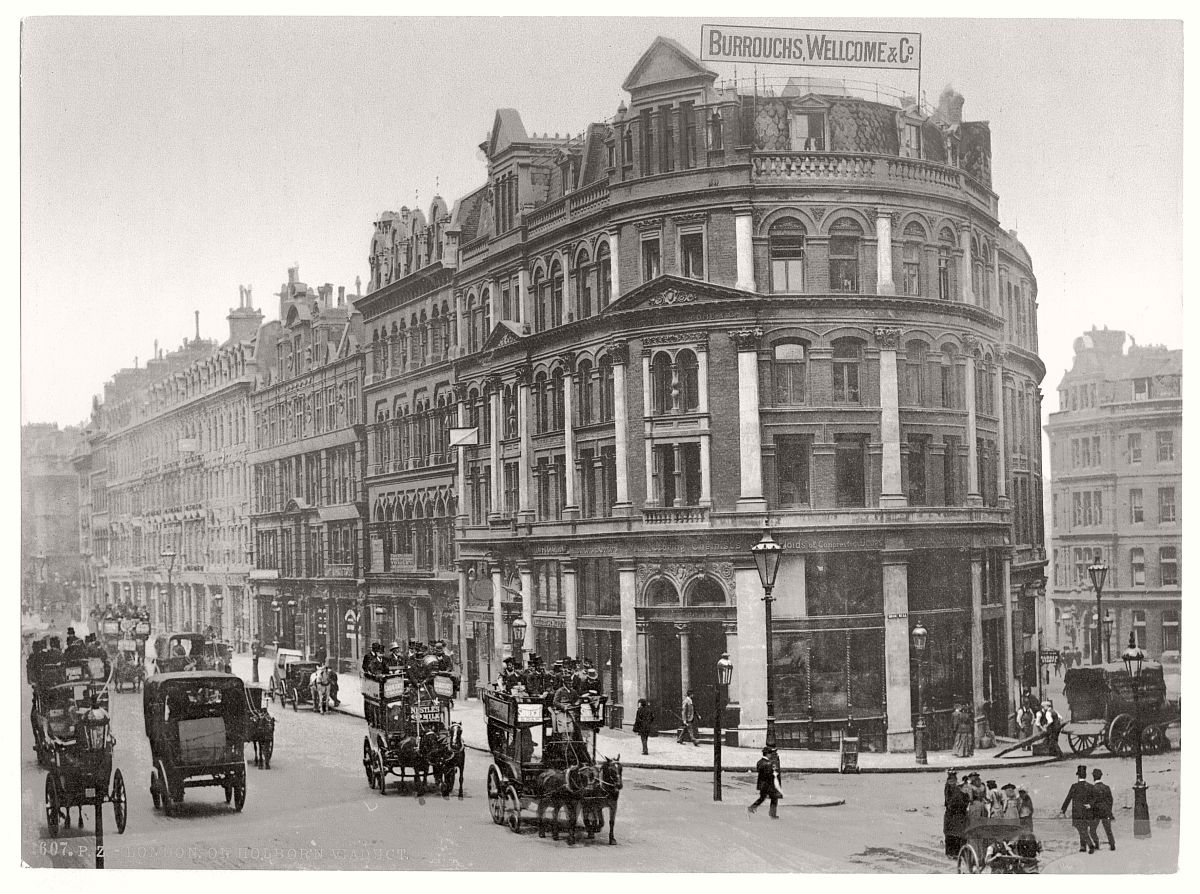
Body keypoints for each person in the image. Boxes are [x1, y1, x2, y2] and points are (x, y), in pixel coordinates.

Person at [1060, 764, 1097, 853]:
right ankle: (1082, 846)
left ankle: (1090, 845)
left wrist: (1063, 810)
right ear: (1085, 775)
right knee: (1083, 828)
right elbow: (1095, 799)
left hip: (1077, 812)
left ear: (1078, 775)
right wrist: (1090, 805)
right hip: (1087, 812)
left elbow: (1068, 798)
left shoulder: (1074, 786)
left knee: (1081, 829)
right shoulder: (1090, 786)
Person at [748, 746, 782, 818]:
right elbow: (767, 773)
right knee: (773, 798)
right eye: (770, 753)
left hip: (764, 784)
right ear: (767, 754)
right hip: (766, 784)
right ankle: (772, 814)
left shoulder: (762, 762)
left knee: (763, 798)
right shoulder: (765, 763)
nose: (771, 755)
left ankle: (752, 807)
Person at [1089, 768, 1116, 851]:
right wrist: (1109, 810)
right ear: (1101, 776)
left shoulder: (1092, 788)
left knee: (1092, 830)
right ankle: (1112, 844)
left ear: (1093, 777)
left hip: (1096, 812)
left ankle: (1096, 843)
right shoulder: (1106, 787)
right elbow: (1110, 800)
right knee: (1108, 829)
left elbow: (1091, 802)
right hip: (1105, 811)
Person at [944, 777, 970, 858]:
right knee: (953, 836)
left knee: (956, 835)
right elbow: (951, 805)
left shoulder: (964, 795)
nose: (966, 789)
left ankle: (956, 852)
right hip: (953, 818)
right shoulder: (956, 794)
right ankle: (953, 853)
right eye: (964, 787)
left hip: (957, 818)